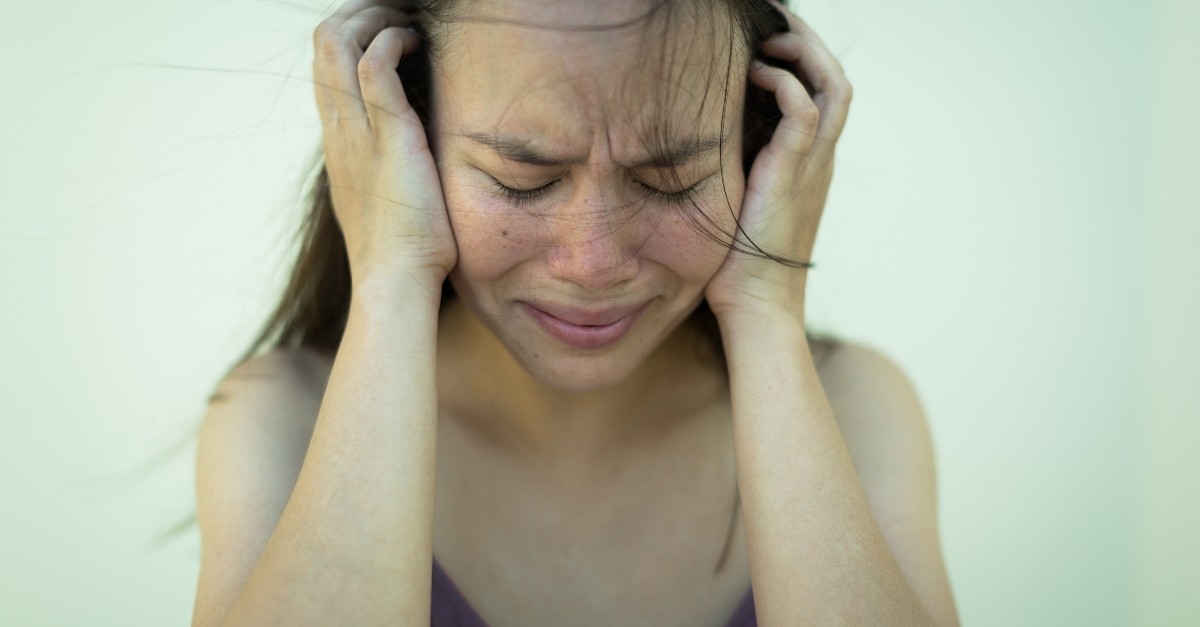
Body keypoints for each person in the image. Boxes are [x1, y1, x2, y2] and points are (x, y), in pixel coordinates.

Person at [190, 0, 959, 625]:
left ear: (755, 149)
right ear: (406, 136)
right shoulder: (279, 418)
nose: (593, 263)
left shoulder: (855, 406)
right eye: (523, 178)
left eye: (672, 179)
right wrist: (391, 271)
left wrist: (764, 306)